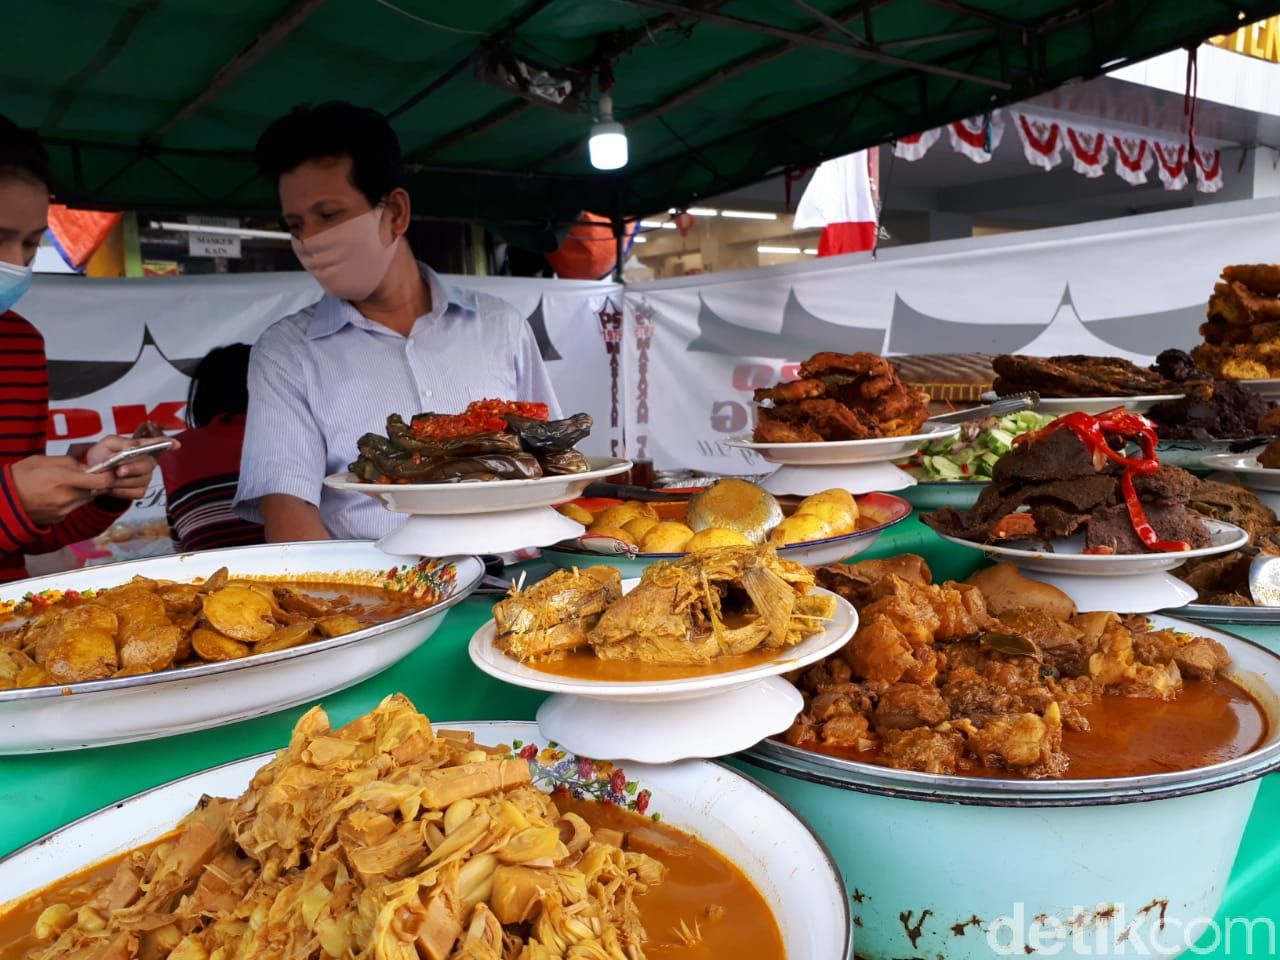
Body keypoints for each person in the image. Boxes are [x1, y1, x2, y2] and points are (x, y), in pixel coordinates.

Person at [234, 102, 559, 542]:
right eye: (296, 225)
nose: (310, 240)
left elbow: (552, 464)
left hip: (516, 586)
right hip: (384, 595)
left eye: (328, 215)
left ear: (395, 213)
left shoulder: (500, 326)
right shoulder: (288, 352)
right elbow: (289, 510)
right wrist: (358, 606)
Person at [0, 115, 166, 584]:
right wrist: (12, 501)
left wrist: (101, 487)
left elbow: (30, 536)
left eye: (31, 244)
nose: (14, 264)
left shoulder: (20, 345)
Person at [159, 344, 264, 552]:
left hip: (208, 579)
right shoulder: (291, 436)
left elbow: (182, 546)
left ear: (202, 396)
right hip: (296, 573)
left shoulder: (174, 449)